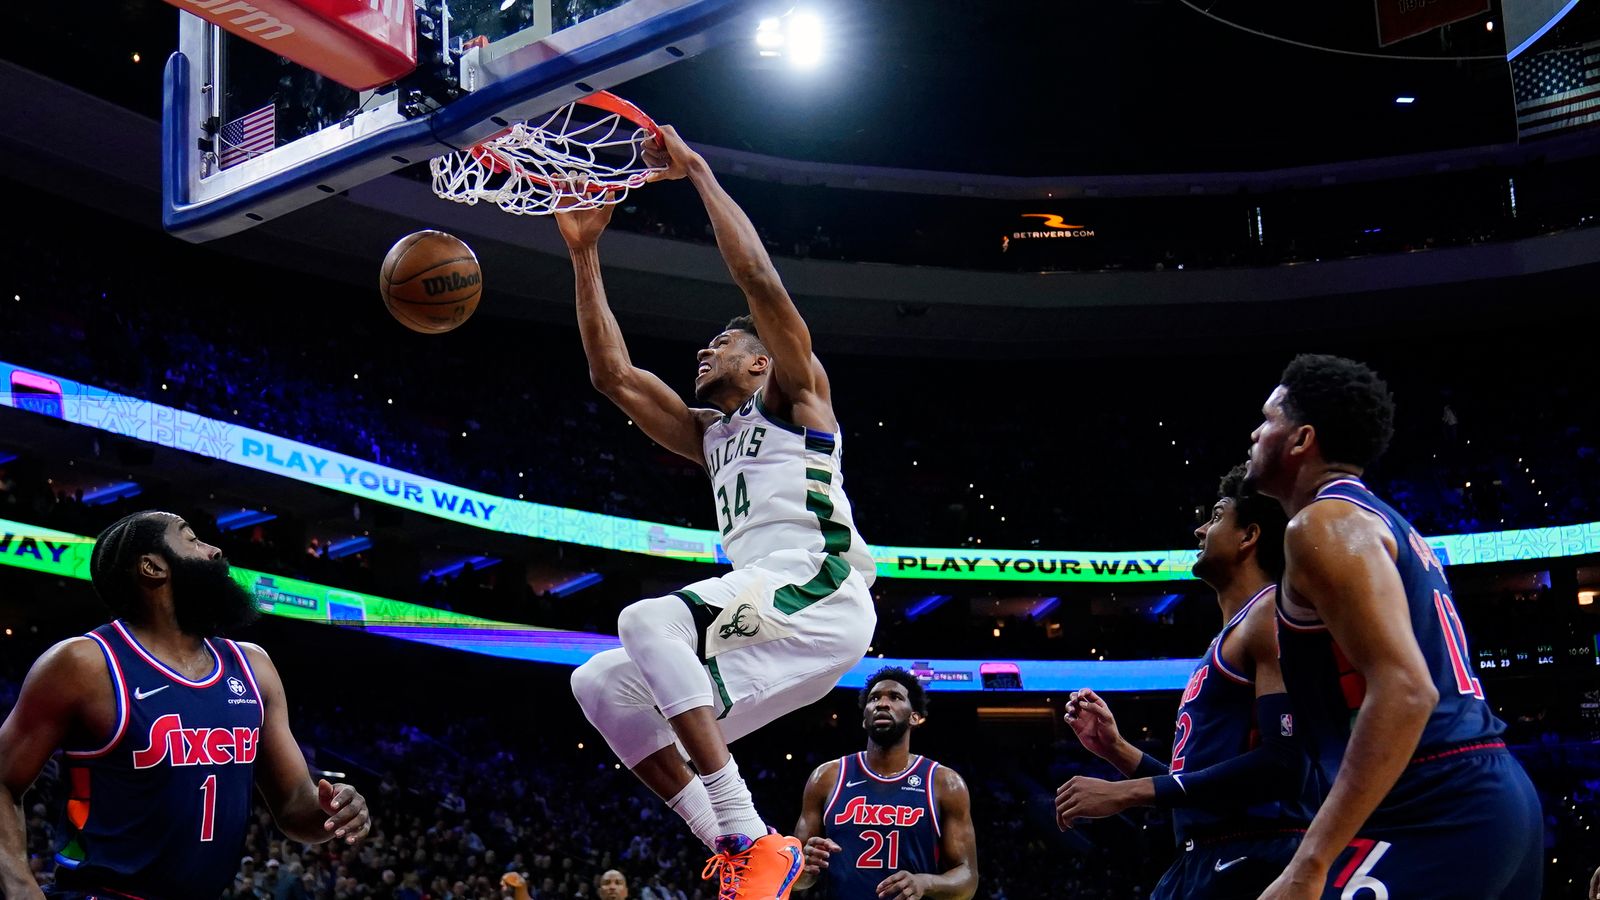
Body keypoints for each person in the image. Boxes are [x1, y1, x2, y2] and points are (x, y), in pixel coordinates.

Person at [561, 125, 876, 900]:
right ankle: (751, 849)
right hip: (778, 612)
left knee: (646, 621)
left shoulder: (796, 398)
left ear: (762, 360)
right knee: (600, 684)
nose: (705, 354)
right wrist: (583, 251)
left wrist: (697, 170)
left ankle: (740, 820)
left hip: (819, 583)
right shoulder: (710, 435)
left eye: (721, 345)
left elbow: (761, 284)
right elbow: (612, 376)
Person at [1244, 355, 1542, 899]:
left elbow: (1406, 690)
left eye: (1267, 420)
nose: (1255, 433)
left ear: (1301, 439)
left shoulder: (1323, 524)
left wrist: (1310, 862)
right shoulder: (1386, 524)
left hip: (1434, 799)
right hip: (1482, 792)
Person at [0, 511, 371, 900]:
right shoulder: (84, 663)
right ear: (152, 567)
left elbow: (295, 806)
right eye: (192, 539)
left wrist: (332, 813)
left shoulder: (253, 666)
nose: (215, 550)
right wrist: (21, 888)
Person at [1055, 464, 1310, 897]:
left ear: (1249, 536)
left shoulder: (1269, 616)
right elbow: (1206, 788)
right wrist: (1119, 751)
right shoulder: (1229, 635)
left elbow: (1284, 761)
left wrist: (1128, 793)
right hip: (1205, 854)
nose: (1199, 529)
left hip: (1255, 854)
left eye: (1214, 516)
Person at [791, 667, 977, 900]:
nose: (882, 703)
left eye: (895, 697)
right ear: (864, 719)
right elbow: (797, 880)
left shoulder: (944, 783)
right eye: (874, 698)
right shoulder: (826, 777)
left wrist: (925, 882)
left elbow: (968, 879)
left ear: (915, 717)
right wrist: (803, 868)